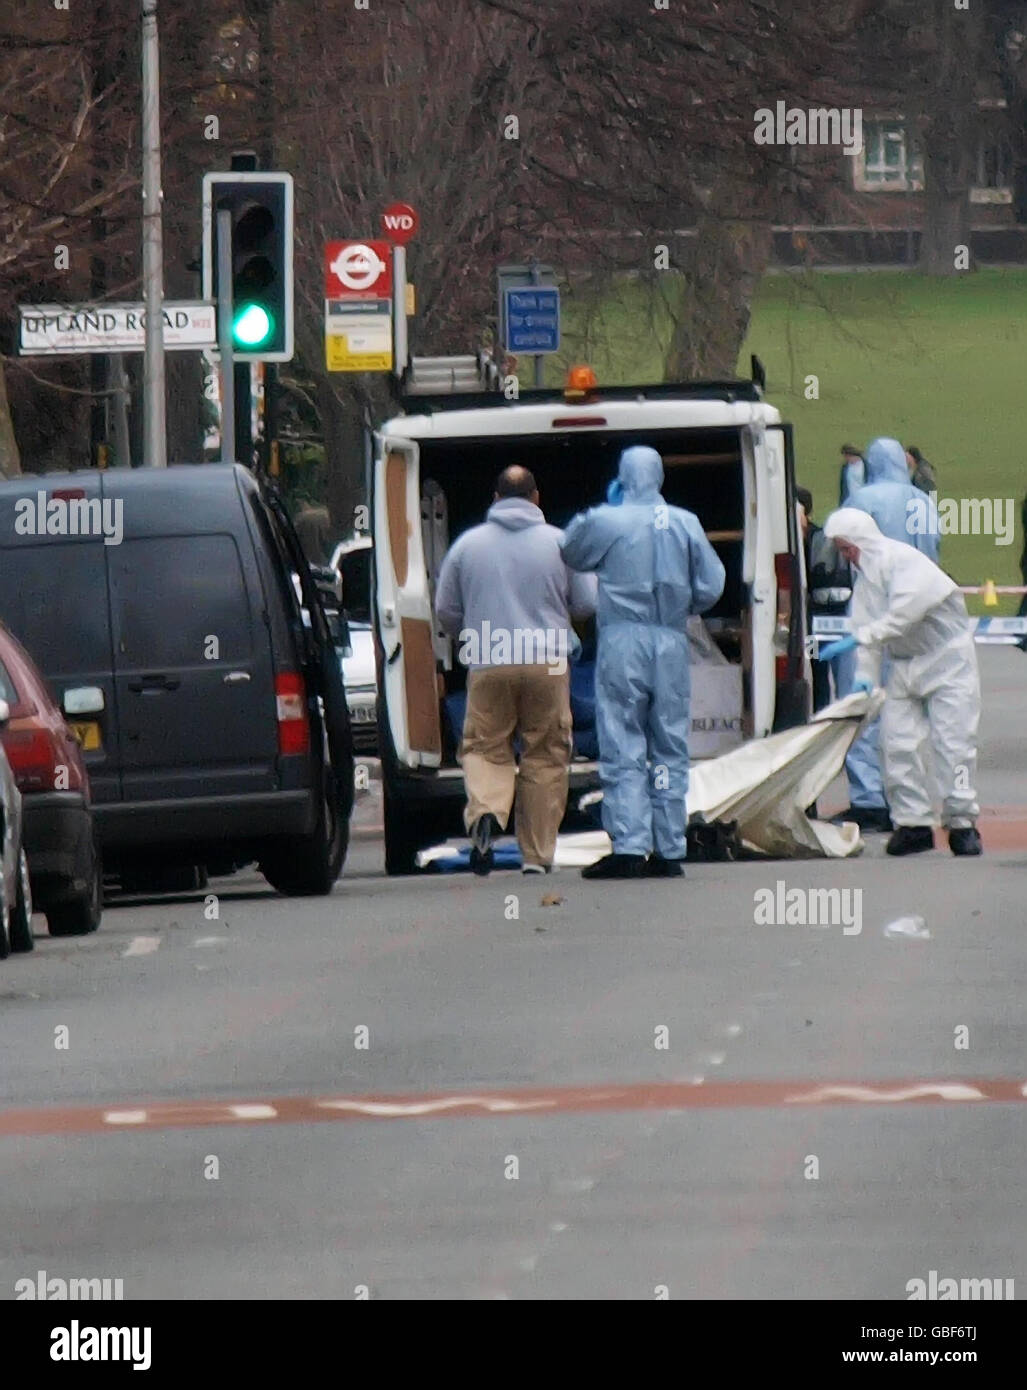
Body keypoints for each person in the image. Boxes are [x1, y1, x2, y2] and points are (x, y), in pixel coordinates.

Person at [560, 445, 725, 879]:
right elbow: (712, 584)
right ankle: (670, 846)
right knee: (669, 744)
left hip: (623, 640)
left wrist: (596, 513)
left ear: (623, 477)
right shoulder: (685, 523)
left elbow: (571, 551)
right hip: (670, 639)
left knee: (623, 740)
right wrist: (682, 603)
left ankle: (630, 844)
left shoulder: (608, 520)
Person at [435, 466, 596, 876]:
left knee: (486, 746)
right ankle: (537, 855)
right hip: (547, 661)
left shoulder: (467, 546)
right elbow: (586, 604)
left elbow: (445, 611)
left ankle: (487, 812)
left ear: (494, 499)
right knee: (545, 752)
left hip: (489, 659)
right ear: (536, 498)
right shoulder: (562, 543)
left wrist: (474, 634)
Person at [822, 508, 982, 858]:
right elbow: (868, 634)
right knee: (896, 744)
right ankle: (913, 824)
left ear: (862, 540)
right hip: (905, 665)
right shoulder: (866, 583)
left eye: (847, 547)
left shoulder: (906, 563)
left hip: (947, 662)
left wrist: (863, 636)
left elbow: (902, 616)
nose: (846, 555)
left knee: (953, 745)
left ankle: (962, 824)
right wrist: (864, 676)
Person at [833, 437, 941, 832]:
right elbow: (933, 556)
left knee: (863, 703)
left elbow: (845, 557)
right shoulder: (922, 502)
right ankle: (908, 800)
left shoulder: (859, 502)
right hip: (914, 613)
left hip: (870, 609)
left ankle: (868, 799)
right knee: (908, 708)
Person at [796, 487, 854, 711]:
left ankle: (820, 715)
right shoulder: (823, 536)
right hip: (837, 613)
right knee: (841, 667)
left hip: (812, 617)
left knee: (817, 669)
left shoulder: (799, 541)